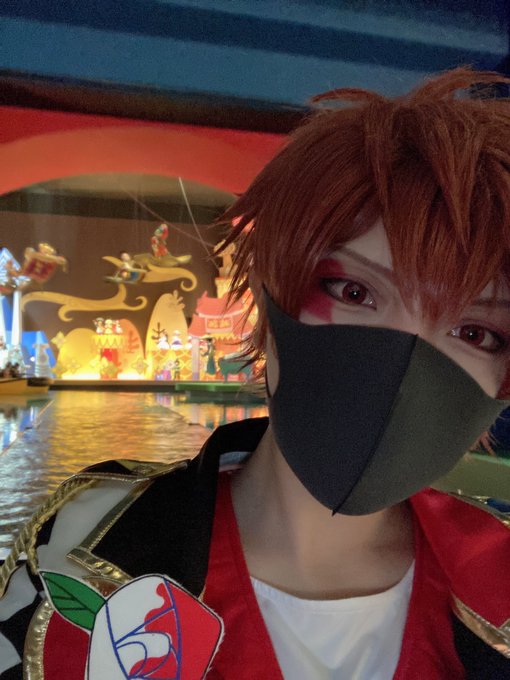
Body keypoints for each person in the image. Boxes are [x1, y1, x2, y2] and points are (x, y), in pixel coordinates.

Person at [1, 67, 510, 679]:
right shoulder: (84, 546)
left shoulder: (498, 573)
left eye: (475, 332)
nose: (401, 365)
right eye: (353, 291)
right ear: (271, 294)